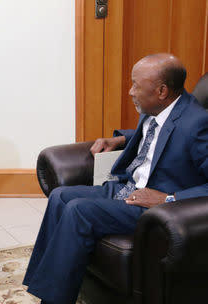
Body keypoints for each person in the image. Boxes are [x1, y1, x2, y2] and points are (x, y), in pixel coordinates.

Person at [23, 53, 208, 303]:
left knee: (79, 210)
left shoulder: (198, 124)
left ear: (162, 90)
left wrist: (169, 197)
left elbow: (182, 139)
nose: (130, 91)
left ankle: (53, 300)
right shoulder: (161, 107)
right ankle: (45, 285)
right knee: (59, 196)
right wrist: (120, 139)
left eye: (136, 85)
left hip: (150, 207)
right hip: (127, 187)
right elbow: (159, 133)